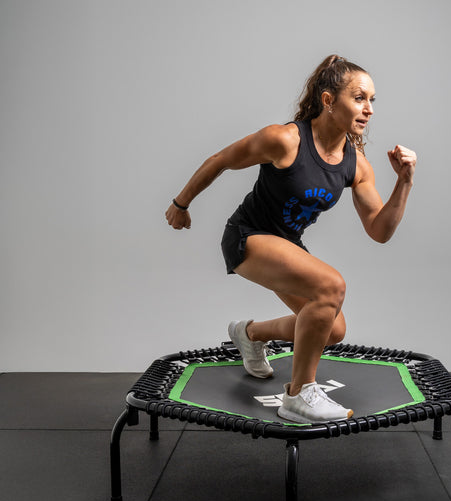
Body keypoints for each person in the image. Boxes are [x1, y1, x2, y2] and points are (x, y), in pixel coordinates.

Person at [165, 54, 417, 424]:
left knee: (332, 329)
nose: (369, 109)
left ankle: (250, 334)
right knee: (330, 286)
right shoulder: (285, 139)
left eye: (372, 100)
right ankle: (299, 395)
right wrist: (180, 204)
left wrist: (404, 181)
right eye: (359, 98)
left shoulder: (356, 164)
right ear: (329, 100)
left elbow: (380, 230)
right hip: (247, 236)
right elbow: (221, 159)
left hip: (286, 243)